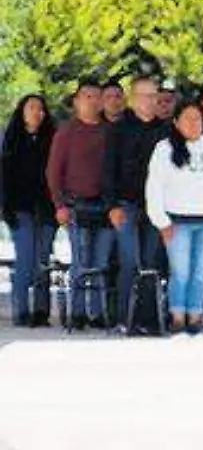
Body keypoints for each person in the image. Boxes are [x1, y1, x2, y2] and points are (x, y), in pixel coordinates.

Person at [145, 100, 203, 337]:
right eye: (188, 118)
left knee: (199, 272)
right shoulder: (164, 149)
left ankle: (196, 319)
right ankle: (177, 319)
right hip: (177, 223)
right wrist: (161, 221)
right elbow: (154, 188)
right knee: (180, 272)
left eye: (198, 118)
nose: (194, 123)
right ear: (176, 122)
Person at [103, 75, 171, 331]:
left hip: (156, 207)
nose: (149, 101)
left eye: (154, 96)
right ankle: (123, 319)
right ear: (132, 99)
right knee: (129, 261)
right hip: (125, 204)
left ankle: (146, 320)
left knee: (152, 262)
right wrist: (112, 206)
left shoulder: (165, 130)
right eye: (143, 95)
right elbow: (108, 171)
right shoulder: (118, 129)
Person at [47, 81, 115, 328]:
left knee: (101, 261)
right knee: (81, 260)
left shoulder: (110, 131)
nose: (92, 101)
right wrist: (59, 205)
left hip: (106, 206)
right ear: (76, 101)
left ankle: (96, 313)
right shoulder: (66, 132)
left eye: (97, 96)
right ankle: (76, 313)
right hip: (76, 205)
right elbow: (53, 172)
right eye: (86, 96)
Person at [2, 94, 58, 326]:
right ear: (22, 112)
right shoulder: (11, 140)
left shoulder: (53, 140)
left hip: (47, 210)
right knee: (25, 260)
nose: (38, 112)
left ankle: (41, 311)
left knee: (43, 260)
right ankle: (21, 310)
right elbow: (4, 178)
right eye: (32, 107)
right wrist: (6, 208)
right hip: (20, 209)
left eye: (41, 108)